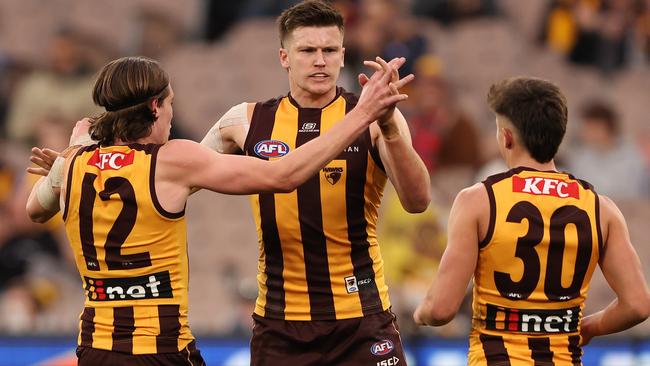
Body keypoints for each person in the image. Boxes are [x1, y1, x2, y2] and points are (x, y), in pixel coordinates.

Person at [26, 55, 412, 365]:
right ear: (155, 106)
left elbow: (35, 208)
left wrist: (68, 158)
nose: (174, 117)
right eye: (172, 104)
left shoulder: (73, 163)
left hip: (94, 348)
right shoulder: (173, 160)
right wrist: (362, 115)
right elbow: (284, 174)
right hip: (160, 348)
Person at [197, 1, 430, 364]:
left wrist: (387, 125)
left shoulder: (378, 116)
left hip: (362, 319)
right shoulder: (243, 121)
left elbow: (418, 201)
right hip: (280, 323)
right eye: (307, 50)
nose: (319, 60)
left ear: (342, 55)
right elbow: (184, 175)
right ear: (284, 57)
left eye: (329, 50)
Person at [413, 76, 650, 364]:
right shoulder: (602, 209)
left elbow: (441, 310)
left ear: (507, 137)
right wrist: (587, 327)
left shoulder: (479, 200)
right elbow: (637, 305)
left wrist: (421, 312)